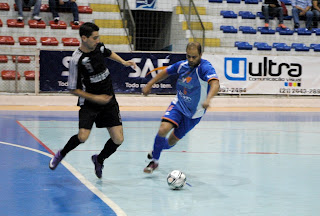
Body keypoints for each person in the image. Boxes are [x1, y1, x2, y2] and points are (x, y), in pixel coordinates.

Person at [49, 22, 137, 179]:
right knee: (82, 137)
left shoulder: (98, 47)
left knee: (118, 139)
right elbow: (73, 89)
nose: (98, 41)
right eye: (94, 38)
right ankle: (61, 154)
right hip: (90, 102)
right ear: (84, 38)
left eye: (98, 37)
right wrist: (96, 98)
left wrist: (124, 62)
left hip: (108, 99)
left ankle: (99, 159)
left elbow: (107, 52)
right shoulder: (76, 60)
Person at [142, 42, 220, 174]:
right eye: (188, 56)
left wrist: (208, 99)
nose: (190, 60)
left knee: (171, 142)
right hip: (178, 104)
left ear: (201, 55)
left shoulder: (205, 68)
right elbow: (166, 72)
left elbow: (215, 84)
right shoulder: (182, 65)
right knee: (163, 129)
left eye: (194, 57)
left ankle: (157, 149)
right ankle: (154, 161)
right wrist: (150, 84)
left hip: (194, 113)